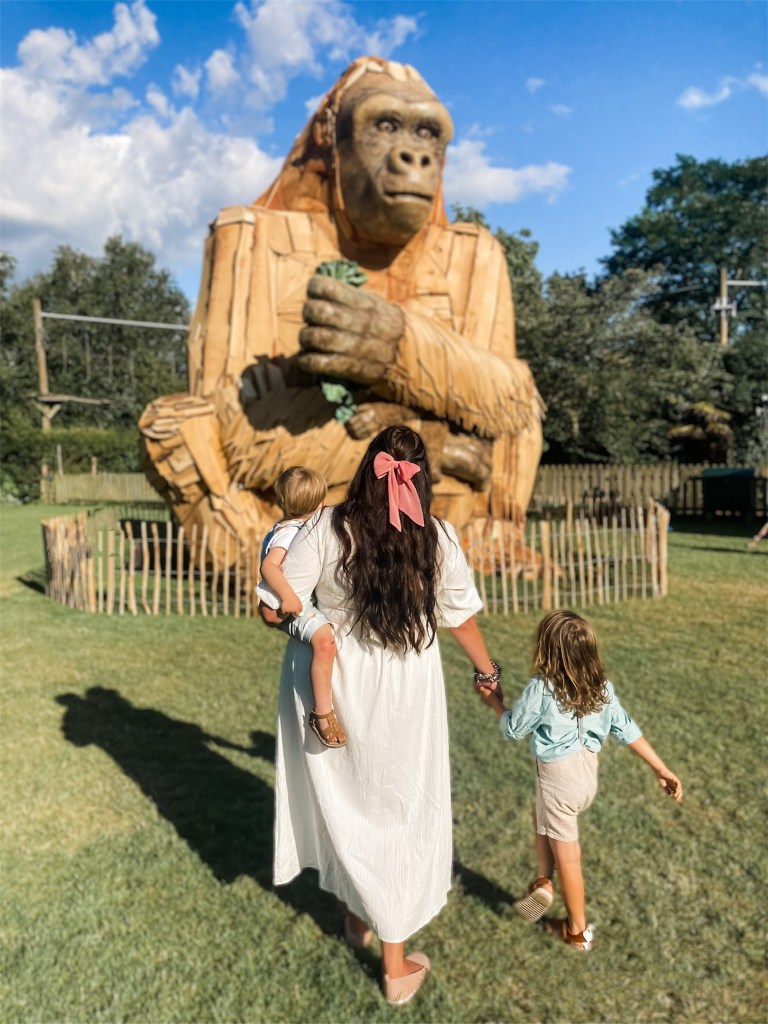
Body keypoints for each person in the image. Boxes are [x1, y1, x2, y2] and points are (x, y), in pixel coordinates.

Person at [272, 425, 501, 1005]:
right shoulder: (437, 537)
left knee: (356, 804)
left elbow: (276, 607)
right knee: (396, 811)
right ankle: (396, 969)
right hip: (406, 690)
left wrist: (318, 629)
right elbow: (460, 616)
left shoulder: (325, 526)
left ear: (366, 466)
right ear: (421, 479)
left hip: (339, 683)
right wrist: (487, 672)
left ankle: (359, 919)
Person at [477, 609, 683, 952]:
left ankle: (576, 931)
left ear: (546, 649)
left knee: (569, 857)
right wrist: (661, 768)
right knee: (539, 812)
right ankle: (543, 880)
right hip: (586, 779)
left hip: (558, 780)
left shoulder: (542, 688)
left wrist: (494, 702)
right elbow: (626, 729)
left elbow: (514, 729)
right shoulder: (601, 687)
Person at [256, 467, 345, 748]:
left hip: (298, 601)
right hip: (293, 605)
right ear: (319, 504)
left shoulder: (293, 527)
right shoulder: (289, 534)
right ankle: (322, 713)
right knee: (325, 642)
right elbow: (269, 566)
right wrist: (287, 596)